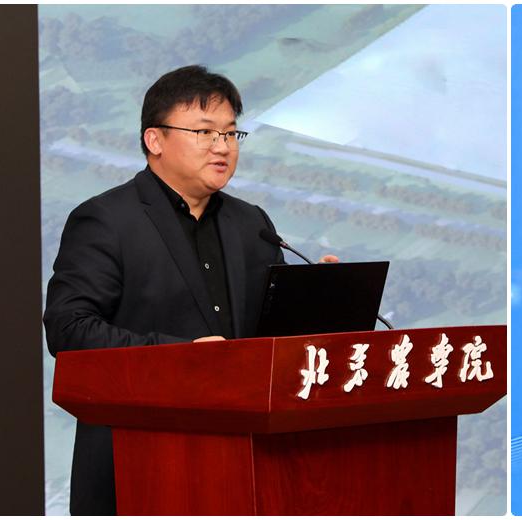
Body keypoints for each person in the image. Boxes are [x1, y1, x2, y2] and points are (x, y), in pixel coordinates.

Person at [43, 65, 331, 515]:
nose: (223, 146)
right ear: (154, 140)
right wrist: (181, 357)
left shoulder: (251, 223)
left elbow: (267, 336)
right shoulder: (106, 220)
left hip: (245, 462)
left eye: (231, 133)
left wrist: (317, 301)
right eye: (204, 132)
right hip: (141, 460)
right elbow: (69, 329)